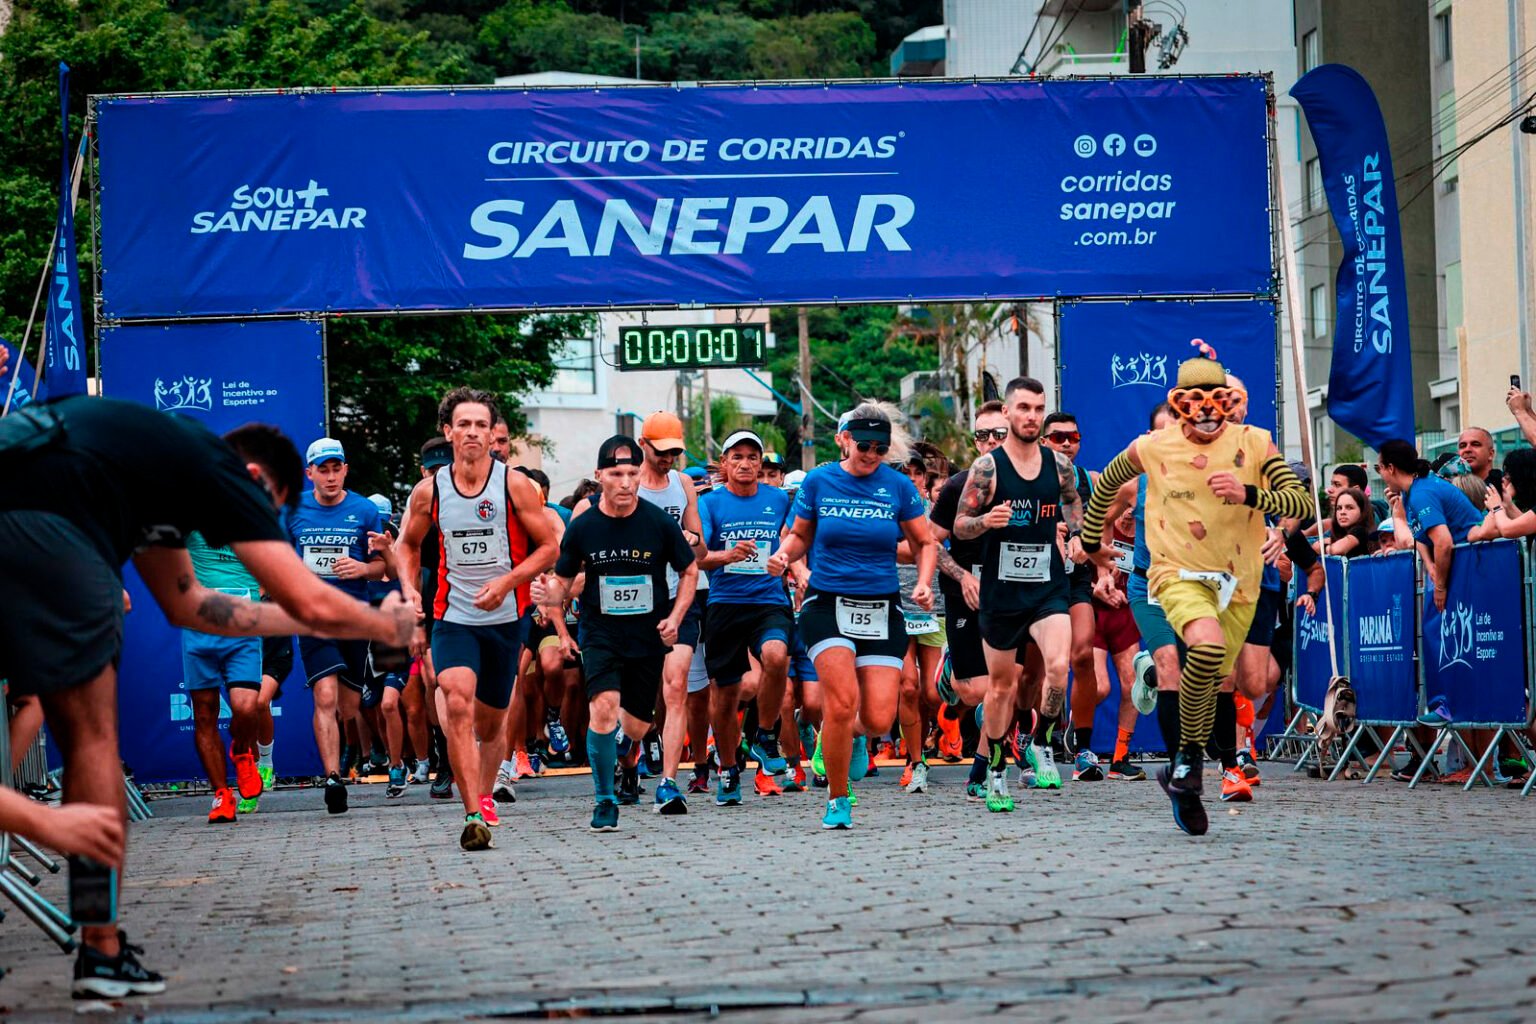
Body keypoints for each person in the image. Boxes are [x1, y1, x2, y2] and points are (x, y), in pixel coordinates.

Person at [0, 397, 415, 998]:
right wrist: (383, 626)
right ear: (255, 480)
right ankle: (100, 946)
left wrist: (315, 619)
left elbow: (190, 605)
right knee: (90, 742)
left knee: (28, 723)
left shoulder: (149, 471)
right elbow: (310, 601)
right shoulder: (217, 467)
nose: (244, 538)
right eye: (258, 520)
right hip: (52, 531)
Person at [1082, 356, 1311, 836]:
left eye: (1218, 402)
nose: (1208, 413)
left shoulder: (1255, 444)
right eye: (1196, 404)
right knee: (1196, 652)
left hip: (1238, 581)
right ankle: (1188, 760)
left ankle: (1182, 775)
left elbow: (1301, 503)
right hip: (1171, 574)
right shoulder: (1152, 448)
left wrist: (1251, 495)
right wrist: (1091, 547)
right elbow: (1104, 487)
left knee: (1222, 679)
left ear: (1229, 404)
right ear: (1180, 405)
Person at [395, 388, 557, 850]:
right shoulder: (430, 491)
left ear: (492, 434)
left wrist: (508, 583)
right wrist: (409, 591)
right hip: (454, 616)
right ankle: (471, 814)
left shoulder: (514, 485)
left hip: (506, 619)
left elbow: (551, 547)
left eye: (480, 425)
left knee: (491, 724)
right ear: (448, 433)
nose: (471, 432)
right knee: (457, 700)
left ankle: (484, 792)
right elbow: (406, 544)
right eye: (462, 425)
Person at [768, 403, 934, 828]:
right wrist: (785, 557)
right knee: (840, 703)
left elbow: (925, 542)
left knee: (878, 717)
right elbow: (801, 534)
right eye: (864, 445)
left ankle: (846, 736)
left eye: (880, 448)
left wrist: (922, 581)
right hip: (828, 603)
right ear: (845, 440)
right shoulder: (821, 481)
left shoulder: (897, 486)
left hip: (881, 607)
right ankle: (838, 798)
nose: (872, 453)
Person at [534, 435, 698, 832]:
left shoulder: (658, 522)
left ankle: (624, 746)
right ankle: (605, 799)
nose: (625, 482)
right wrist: (548, 596)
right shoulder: (584, 525)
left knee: (638, 726)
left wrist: (676, 616)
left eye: (631, 473)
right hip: (601, 632)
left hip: (647, 635)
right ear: (599, 476)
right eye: (615, 474)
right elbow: (563, 580)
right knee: (604, 708)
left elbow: (689, 570)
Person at [951, 378, 1082, 810]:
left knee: (1059, 668)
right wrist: (987, 522)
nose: (1031, 415)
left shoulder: (1059, 465)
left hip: (1047, 588)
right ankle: (995, 768)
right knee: (1002, 690)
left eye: (1038, 408)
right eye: (1023, 407)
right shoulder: (987, 469)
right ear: (1007, 413)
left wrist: (1078, 536)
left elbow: (1073, 501)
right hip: (1002, 595)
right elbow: (959, 526)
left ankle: (1043, 737)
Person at [287, 437, 388, 814]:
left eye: (336, 469)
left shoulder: (364, 511)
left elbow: (384, 569)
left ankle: (344, 750)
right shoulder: (294, 509)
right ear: (309, 472)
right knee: (324, 698)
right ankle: (333, 778)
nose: (330, 477)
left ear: (345, 469)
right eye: (322, 470)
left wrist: (363, 568)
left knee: (347, 707)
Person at [698, 429, 795, 808]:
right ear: (724, 465)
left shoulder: (778, 499)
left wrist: (785, 560)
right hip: (724, 603)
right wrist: (727, 556)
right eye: (736, 456)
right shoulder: (710, 503)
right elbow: (698, 555)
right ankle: (726, 768)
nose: (745, 463)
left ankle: (766, 735)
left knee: (776, 656)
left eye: (752, 457)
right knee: (724, 696)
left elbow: (795, 539)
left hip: (768, 600)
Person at [928, 401, 1009, 799]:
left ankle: (982, 769)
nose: (990, 442)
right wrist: (961, 577)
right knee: (978, 692)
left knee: (1008, 688)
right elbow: (929, 540)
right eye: (983, 435)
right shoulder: (958, 486)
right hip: (965, 591)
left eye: (999, 434)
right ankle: (951, 670)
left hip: (1013, 593)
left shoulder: (1029, 481)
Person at [180, 530, 268, 824]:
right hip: (198, 628)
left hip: (242, 628)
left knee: (246, 707)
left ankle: (242, 752)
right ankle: (221, 795)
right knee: (204, 715)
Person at [1040, 411, 1106, 782]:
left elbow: (1099, 528)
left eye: (1074, 437)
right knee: (1042, 667)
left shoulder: (1086, 480)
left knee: (1082, 655)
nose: (1067, 443)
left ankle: (1082, 747)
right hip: (1036, 579)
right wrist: (1049, 530)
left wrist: (1098, 561)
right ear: (1044, 441)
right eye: (1058, 436)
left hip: (1075, 578)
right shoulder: (1029, 475)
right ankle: (1038, 741)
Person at [1377, 439, 1488, 609]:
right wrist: (1429, 564)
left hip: (1476, 561)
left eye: (1380, 468)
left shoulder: (1422, 493)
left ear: (1391, 468)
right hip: (1463, 563)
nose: (1381, 475)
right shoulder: (1410, 491)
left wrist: (1440, 587)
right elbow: (1419, 533)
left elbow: (1443, 542)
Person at [1324, 488, 1377, 557]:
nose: (1342, 512)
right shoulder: (1340, 533)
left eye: (1349, 507)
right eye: (1339, 508)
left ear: (1362, 511)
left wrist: (1323, 548)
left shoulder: (1360, 530)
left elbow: (1336, 550)